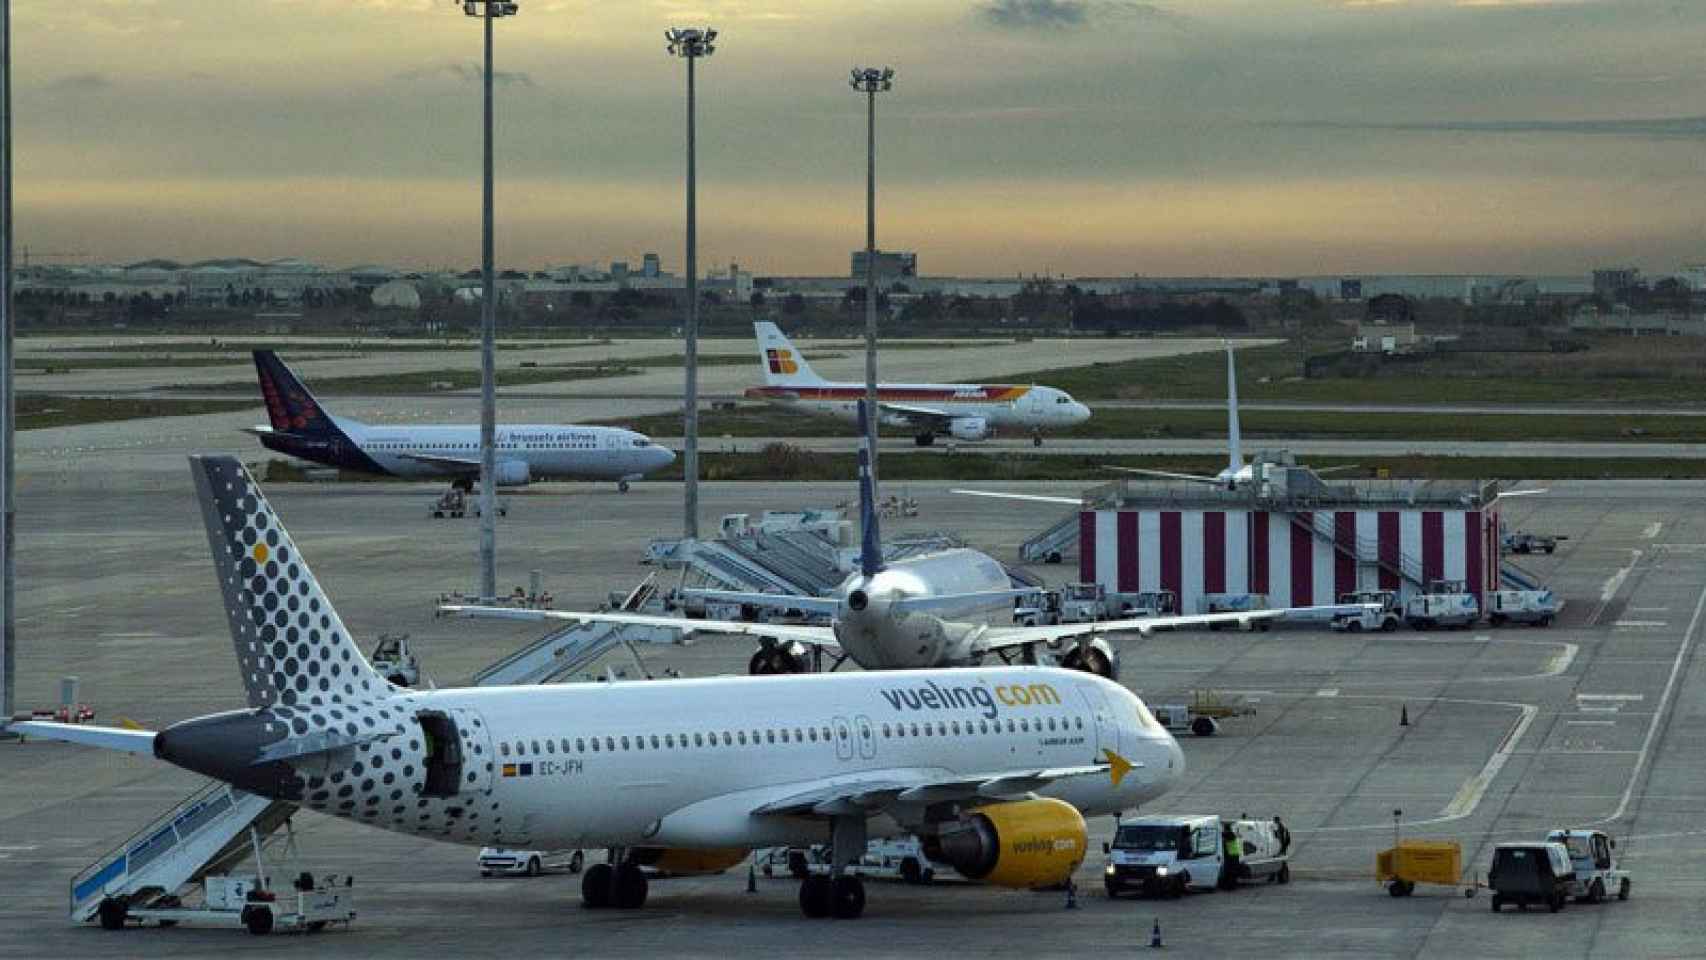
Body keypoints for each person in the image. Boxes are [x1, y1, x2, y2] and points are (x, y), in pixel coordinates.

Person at [1221, 823, 1243, 890]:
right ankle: (1231, 885)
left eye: (1224, 829)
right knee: (1232, 871)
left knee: (1230, 871)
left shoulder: (1229, 834)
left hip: (1231, 855)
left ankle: (1230, 886)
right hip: (1234, 854)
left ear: (1226, 829)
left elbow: (1222, 835)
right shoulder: (1231, 834)